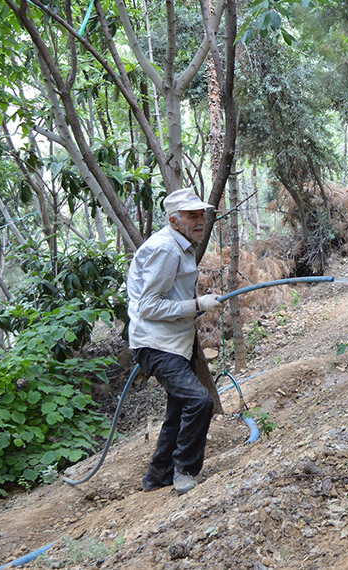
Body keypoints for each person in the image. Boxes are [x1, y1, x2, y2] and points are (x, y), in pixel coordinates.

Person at [126, 188, 223, 494]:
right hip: (156, 344)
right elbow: (148, 306)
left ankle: (157, 477)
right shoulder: (166, 250)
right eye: (191, 215)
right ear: (174, 220)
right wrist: (197, 305)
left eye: (201, 214)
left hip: (172, 343)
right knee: (199, 401)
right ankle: (184, 470)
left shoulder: (183, 245)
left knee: (178, 408)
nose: (200, 221)